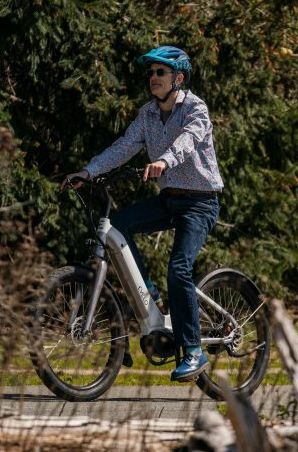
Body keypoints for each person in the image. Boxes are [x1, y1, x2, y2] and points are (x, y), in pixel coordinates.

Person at [63, 46, 223, 382]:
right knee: (119, 225)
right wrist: (88, 172)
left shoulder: (195, 108)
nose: (153, 78)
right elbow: (124, 146)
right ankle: (150, 297)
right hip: (170, 199)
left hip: (201, 201)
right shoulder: (148, 114)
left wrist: (164, 160)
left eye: (160, 72)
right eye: (150, 73)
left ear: (178, 78)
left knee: (179, 267)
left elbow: (189, 141)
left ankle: (193, 351)